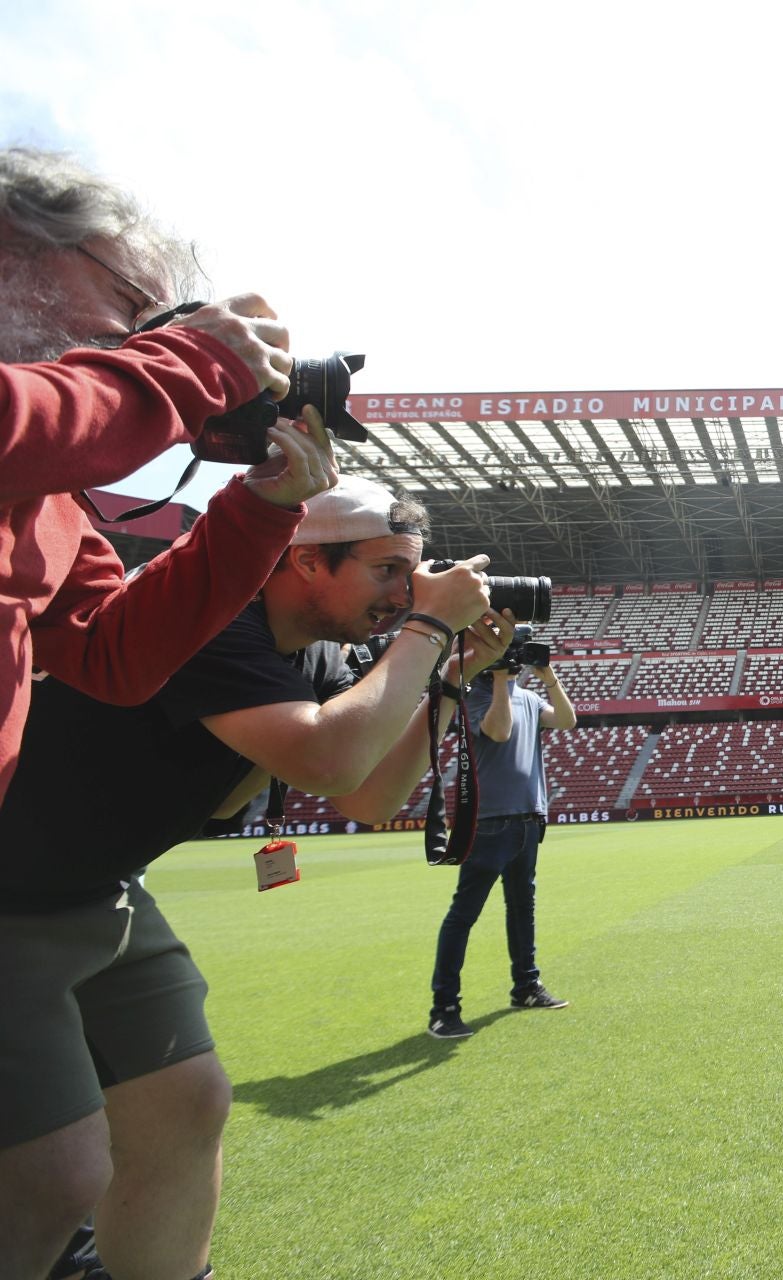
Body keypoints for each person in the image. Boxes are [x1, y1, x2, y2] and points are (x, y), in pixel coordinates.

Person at [0, 475, 510, 1280]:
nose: (402, 593)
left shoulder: (315, 650)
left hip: (96, 884)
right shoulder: (213, 616)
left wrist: (447, 674)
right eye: (386, 570)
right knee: (52, 1172)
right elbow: (329, 755)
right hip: (12, 890)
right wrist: (427, 629)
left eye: (409, 575)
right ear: (304, 561)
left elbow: (367, 792)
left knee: (187, 1102)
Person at [1, 145, 309, 810]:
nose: (131, 337)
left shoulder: (50, 503)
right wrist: (192, 360)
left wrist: (259, 508)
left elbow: (116, 656)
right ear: (10, 250)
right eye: (129, 299)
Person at [427, 636, 578, 1038]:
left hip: (528, 818)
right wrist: (497, 681)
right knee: (464, 914)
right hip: (489, 820)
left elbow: (566, 720)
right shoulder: (473, 694)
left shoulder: (529, 698)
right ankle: (444, 1007)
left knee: (522, 907)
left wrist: (547, 676)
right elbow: (498, 731)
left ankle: (526, 985)